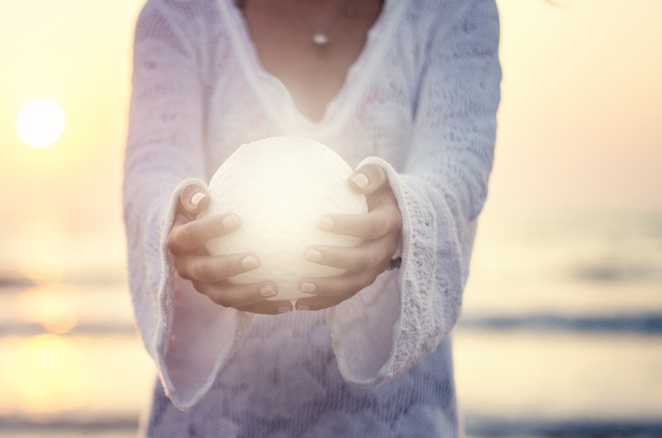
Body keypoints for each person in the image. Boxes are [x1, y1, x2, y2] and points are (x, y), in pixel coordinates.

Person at [123, 0, 501, 436]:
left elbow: (458, 169)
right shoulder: (180, 15)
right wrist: (179, 225)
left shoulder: (454, 10)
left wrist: (401, 216)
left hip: (391, 414)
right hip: (219, 417)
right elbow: (151, 174)